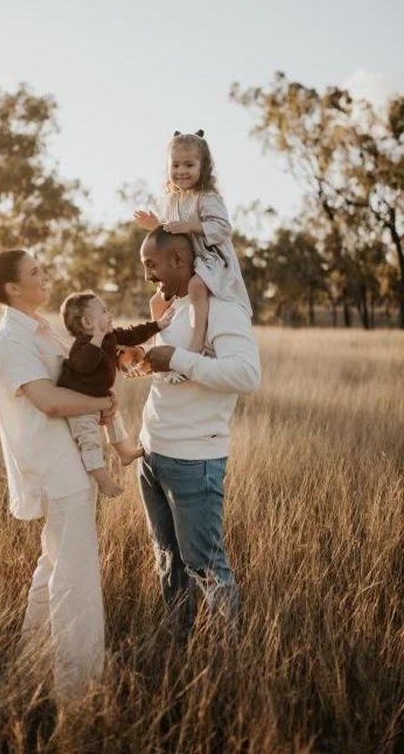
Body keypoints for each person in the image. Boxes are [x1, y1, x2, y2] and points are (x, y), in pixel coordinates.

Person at [0, 249, 113, 701]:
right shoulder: (11, 340)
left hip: (67, 462)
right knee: (75, 580)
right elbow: (50, 401)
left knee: (53, 564)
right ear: (13, 288)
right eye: (37, 271)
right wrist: (101, 405)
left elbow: (74, 377)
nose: (47, 274)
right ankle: (78, 692)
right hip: (56, 468)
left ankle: (28, 668)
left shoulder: (39, 328)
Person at [137, 226, 261, 635]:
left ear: (179, 260)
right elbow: (171, 369)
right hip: (152, 453)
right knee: (167, 557)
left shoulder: (224, 308)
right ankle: (178, 639)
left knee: (205, 566)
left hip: (194, 460)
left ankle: (230, 660)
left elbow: (246, 374)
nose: (148, 276)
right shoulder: (173, 307)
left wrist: (176, 359)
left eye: (151, 265)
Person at [133, 130, 252, 383]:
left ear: (203, 166)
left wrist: (192, 226)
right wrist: (156, 225)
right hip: (187, 261)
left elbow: (223, 228)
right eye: (175, 165)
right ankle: (155, 346)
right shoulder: (171, 199)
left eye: (189, 164)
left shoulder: (207, 198)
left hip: (211, 258)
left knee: (197, 286)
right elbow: (170, 231)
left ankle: (197, 342)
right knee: (156, 302)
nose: (181, 171)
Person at [57, 291, 173, 498]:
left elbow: (132, 333)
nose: (109, 314)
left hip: (101, 398)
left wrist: (157, 325)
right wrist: (98, 338)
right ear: (87, 321)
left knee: (115, 422)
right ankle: (103, 480)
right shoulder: (81, 347)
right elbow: (85, 365)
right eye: (103, 311)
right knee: (89, 440)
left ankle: (125, 453)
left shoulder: (111, 336)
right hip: (79, 405)